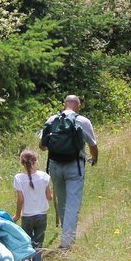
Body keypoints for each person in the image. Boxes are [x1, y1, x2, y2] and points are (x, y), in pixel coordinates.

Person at [39, 94, 98, 249]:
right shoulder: (83, 121)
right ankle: (66, 243)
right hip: (74, 167)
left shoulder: (52, 120)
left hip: (55, 166)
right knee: (73, 203)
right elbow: (92, 145)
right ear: (78, 105)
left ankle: (66, 235)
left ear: (64, 104)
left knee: (62, 202)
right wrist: (94, 158)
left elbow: (42, 146)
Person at [12, 149, 52, 261]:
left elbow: (21, 199)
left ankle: (26, 260)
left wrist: (17, 215)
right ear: (36, 161)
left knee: (26, 242)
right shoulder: (45, 176)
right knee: (38, 244)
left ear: (22, 163)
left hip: (27, 216)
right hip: (41, 215)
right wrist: (51, 195)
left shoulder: (18, 178)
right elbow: (49, 196)